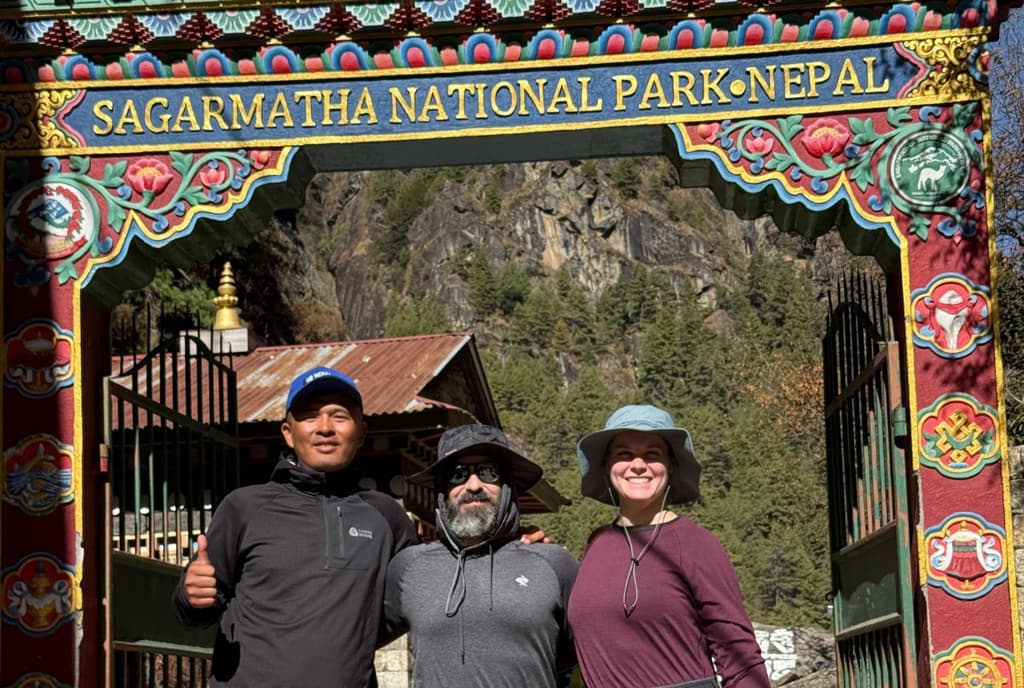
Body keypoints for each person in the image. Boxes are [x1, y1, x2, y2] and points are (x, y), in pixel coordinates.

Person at [173, 366, 418, 687]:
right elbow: (194, 611)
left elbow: (408, 605)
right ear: (288, 432)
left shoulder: (387, 517)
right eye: (309, 416)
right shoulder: (244, 508)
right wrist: (192, 596)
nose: (325, 428)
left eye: (339, 416)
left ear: (361, 432)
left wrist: (351, 639)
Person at [568, 404, 771, 688]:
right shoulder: (596, 544)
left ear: (671, 466)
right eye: (624, 454)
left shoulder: (697, 545)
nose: (638, 464)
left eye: (652, 454)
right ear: (606, 466)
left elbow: (740, 657)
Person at [384, 423, 578, 687]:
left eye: (488, 472)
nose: (473, 485)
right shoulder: (408, 567)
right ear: (442, 491)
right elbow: (354, 643)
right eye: (457, 474)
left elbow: (589, 659)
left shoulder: (554, 564)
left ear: (508, 485)